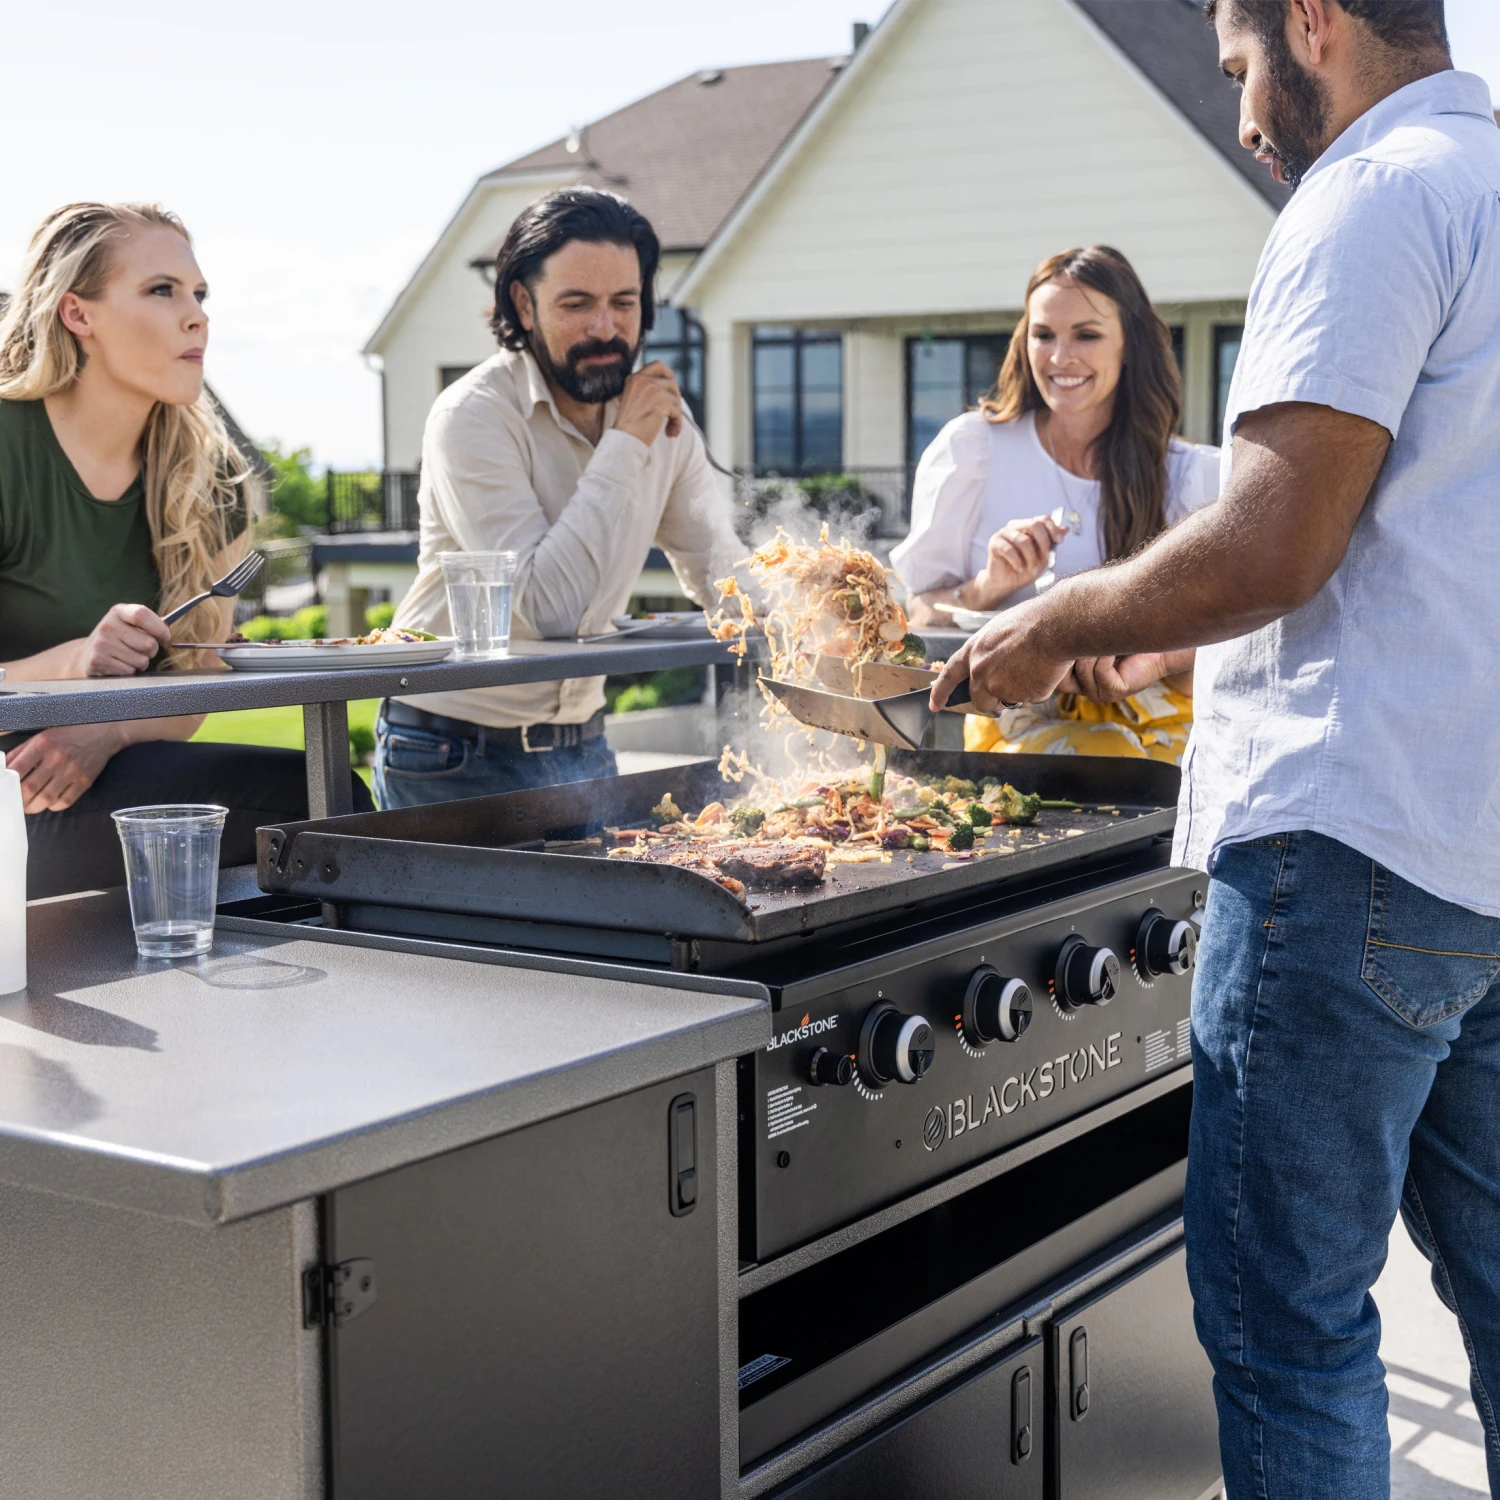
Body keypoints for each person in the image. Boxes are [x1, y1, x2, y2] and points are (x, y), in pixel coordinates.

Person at [931, 1, 1500, 1493]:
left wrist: (1055, 622)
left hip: (1350, 838)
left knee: (1285, 1321)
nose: (1243, 117)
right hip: (1485, 851)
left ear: (1312, 19)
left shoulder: (1370, 195)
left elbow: (1274, 540)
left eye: (1242, 62)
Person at [0, 202, 372, 898]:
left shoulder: (210, 478)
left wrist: (106, 730)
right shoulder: (7, 444)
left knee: (330, 797)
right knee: (322, 810)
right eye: (161, 290)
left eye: (198, 294)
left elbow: (194, 681)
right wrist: (75, 663)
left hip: (106, 769)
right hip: (9, 793)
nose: (196, 316)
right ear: (78, 314)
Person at [375, 188, 740, 809]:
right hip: (447, 753)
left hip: (586, 743)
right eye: (578, 304)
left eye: (624, 303)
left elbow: (725, 575)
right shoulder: (471, 417)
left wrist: (854, 614)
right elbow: (549, 607)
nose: (606, 328)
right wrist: (626, 441)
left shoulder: (655, 421)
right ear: (523, 303)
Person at [892, 247, 1218, 763]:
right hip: (1012, 741)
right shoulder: (972, 450)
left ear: (1129, 344)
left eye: (1086, 335)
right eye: (1044, 335)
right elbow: (920, 611)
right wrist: (988, 586)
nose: (1060, 357)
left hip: (1161, 740)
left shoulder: (1190, 475)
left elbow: (1227, 642)